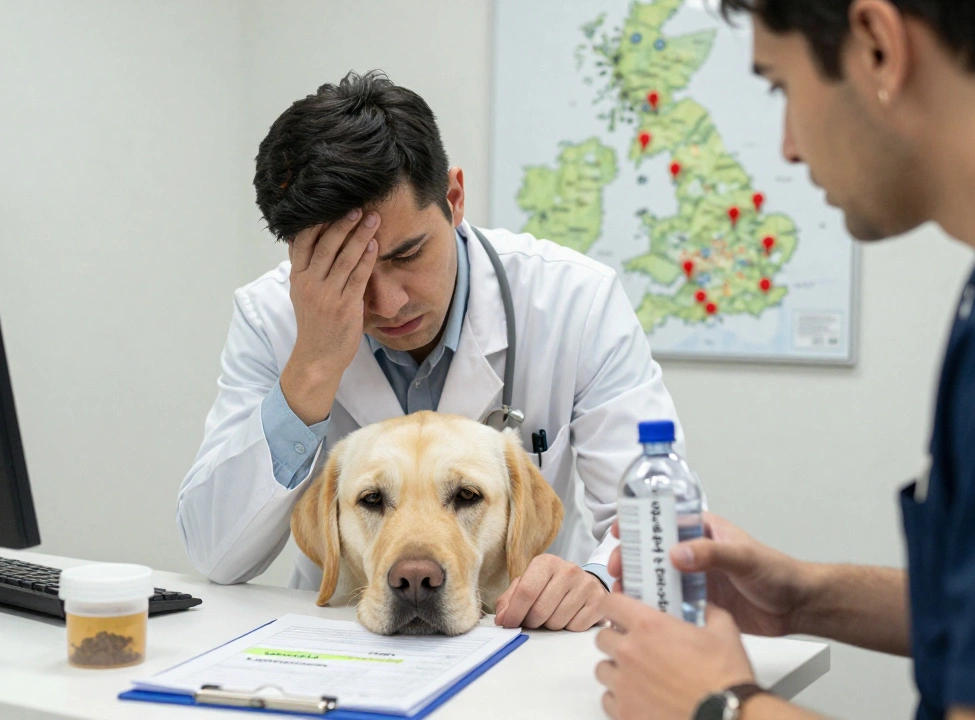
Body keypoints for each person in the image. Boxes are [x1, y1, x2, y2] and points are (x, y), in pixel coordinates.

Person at [593, 0, 975, 718]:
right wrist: (803, 595)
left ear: (878, 46)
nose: (789, 146)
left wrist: (720, 705)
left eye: (781, 87)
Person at [177, 71, 685, 631]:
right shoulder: (268, 318)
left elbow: (663, 522)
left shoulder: (574, 301)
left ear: (454, 197)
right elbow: (217, 555)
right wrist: (313, 366)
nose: (389, 303)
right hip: (345, 641)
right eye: (350, 273)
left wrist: (597, 580)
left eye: (408, 253)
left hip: (516, 633)